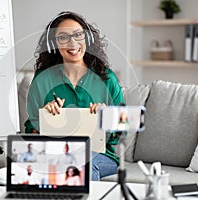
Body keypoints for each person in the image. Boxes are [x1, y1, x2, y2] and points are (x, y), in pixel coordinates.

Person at [24, 11, 125, 181]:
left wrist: (106, 116)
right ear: (53, 44)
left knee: (81, 162)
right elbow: (30, 130)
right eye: (63, 37)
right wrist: (46, 116)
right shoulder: (43, 79)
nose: (73, 42)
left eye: (78, 35)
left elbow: (123, 127)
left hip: (101, 156)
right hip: (55, 154)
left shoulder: (106, 78)